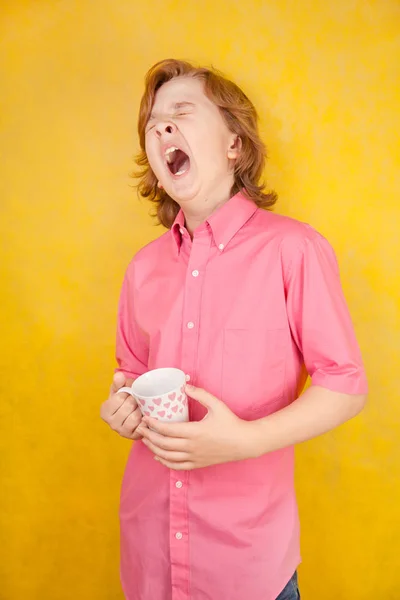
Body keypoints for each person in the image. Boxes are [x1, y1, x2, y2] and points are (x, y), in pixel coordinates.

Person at [100, 59, 368, 600]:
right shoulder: (141, 268)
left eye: (181, 113)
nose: (161, 127)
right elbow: (129, 373)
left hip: (247, 568)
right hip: (149, 559)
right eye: (153, 122)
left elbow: (345, 383)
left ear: (234, 146)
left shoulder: (294, 249)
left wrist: (246, 440)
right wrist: (121, 407)